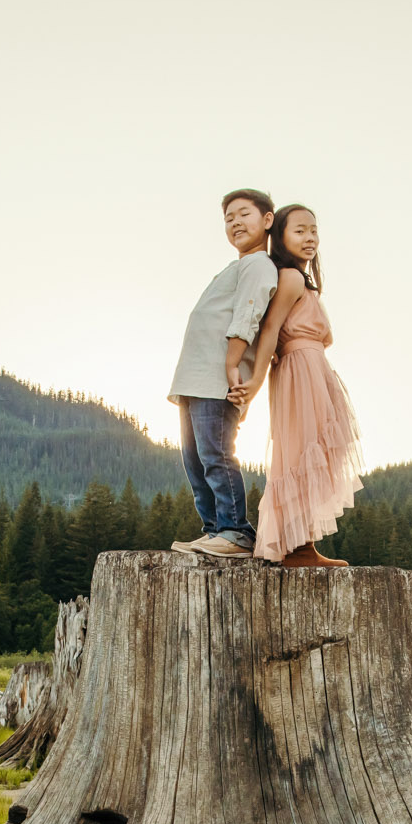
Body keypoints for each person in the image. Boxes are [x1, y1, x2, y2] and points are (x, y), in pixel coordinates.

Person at [239, 204, 363, 567]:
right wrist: (256, 382)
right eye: (299, 231)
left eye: (313, 230)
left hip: (312, 369)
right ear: (280, 236)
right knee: (302, 449)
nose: (310, 238)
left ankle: (301, 542)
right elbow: (270, 331)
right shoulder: (290, 278)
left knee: (321, 450)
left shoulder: (301, 281)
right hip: (299, 370)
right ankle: (296, 547)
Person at [166, 188, 279, 559]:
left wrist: (232, 364)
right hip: (196, 378)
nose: (234, 223)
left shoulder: (259, 264)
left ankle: (235, 531)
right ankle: (214, 530)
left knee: (215, 454)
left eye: (243, 214)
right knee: (195, 459)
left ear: (267, 220)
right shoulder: (237, 265)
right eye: (228, 218)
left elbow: (246, 315)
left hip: (218, 379)